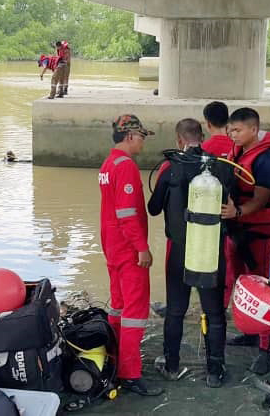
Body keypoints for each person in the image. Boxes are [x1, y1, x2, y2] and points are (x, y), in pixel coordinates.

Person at [148, 119, 234, 388]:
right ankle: (215, 371)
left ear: (178, 140)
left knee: (175, 311)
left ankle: (172, 365)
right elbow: (231, 208)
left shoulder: (169, 167)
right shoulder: (221, 167)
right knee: (214, 313)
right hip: (210, 250)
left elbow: (152, 208)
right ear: (202, 137)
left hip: (179, 252)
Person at [98, 114, 162, 397]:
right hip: (127, 250)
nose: (143, 142)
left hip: (112, 247)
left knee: (118, 308)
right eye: (142, 136)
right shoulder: (125, 167)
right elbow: (127, 214)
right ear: (130, 136)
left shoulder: (108, 164)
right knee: (135, 312)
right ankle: (130, 373)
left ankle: (113, 361)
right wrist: (142, 248)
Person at [221, 108, 270, 371]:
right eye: (230, 130)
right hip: (235, 226)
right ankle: (248, 332)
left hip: (257, 230)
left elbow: (259, 200)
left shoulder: (265, 159)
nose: (232, 135)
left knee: (261, 287)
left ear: (253, 129)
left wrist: (237, 211)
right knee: (235, 280)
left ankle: (265, 348)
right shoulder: (239, 151)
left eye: (237, 130)